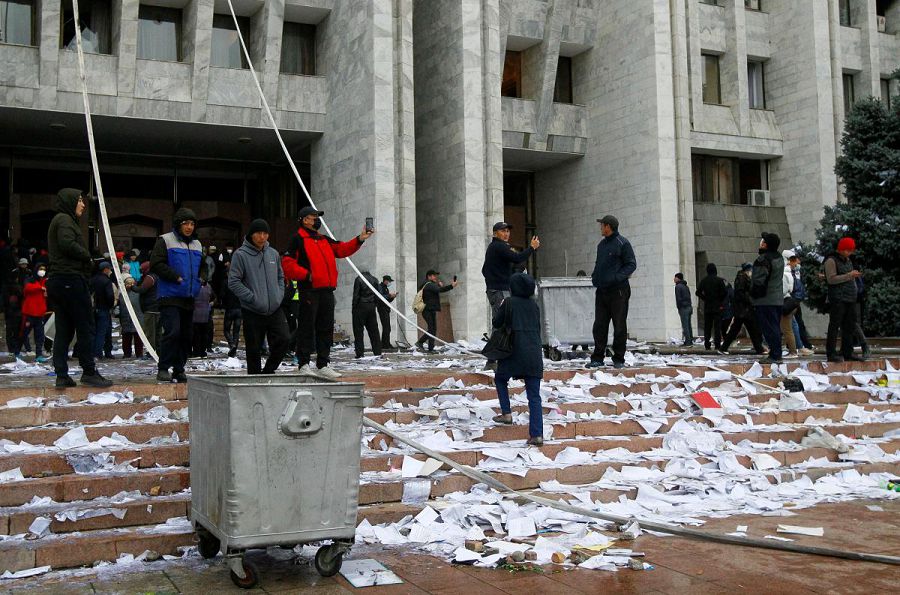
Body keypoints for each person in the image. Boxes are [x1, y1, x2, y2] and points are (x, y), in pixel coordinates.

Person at [282, 206, 373, 380]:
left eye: (317, 217)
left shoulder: (323, 239)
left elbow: (342, 249)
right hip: (309, 290)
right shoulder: (297, 239)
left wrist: (360, 238)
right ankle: (303, 364)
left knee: (325, 329)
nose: (317, 220)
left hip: (327, 291)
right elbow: (287, 263)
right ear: (304, 220)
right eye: (313, 217)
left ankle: (323, 364)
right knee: (307, 328)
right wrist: (307, 275)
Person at [46, 188, 112, 387]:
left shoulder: (61, 220)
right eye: (80, 200)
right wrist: (87, 258)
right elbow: (67, 244)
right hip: (70, 279)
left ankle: (61, 374)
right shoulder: (65, 220)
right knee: (85, 326)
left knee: (64, 329)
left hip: (59, 280)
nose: (83, 204)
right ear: (70, 201)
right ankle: (89, 371)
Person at [229, 219, 290, 374]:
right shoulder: (240, 255)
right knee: (254, 349)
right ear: (251, 235)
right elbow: (234, 282)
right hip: (252, 310)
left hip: (275, 308)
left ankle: (268, 371)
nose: (262, 237)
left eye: (265, 233)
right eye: (258, 233)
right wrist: (251, 298)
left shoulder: (273, 254)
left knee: (284, 339)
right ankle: (254, 381)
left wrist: (278, 295)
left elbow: (280, 277)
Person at [490, 273, 544, 446]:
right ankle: (537, 435)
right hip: (534, 353)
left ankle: (506, 413)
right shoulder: (534, 305)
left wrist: (500, 308)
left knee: (500, 379)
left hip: (514, 352)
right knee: (534, 396)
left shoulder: (509, 303)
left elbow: (497, 323)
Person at [150, 208, 203, 383]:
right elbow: (156, 263)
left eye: (192, 224)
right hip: (170, 295)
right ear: (178, 225)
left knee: (187, 335)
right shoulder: (165, 240)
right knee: (173, 332)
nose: (189, 227)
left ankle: (179, 369)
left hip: (188, 295)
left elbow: (203, 265)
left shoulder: (197, 244)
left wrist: (202, 278)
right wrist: (174, 276)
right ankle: (163, 368)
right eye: (185, 223)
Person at [588, 215, 636, 369]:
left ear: (608, 226)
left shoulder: (623, 243)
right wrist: (595, 277)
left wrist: (617, 278)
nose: (600, 228)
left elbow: (631, 264)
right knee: (599, 325)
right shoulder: (601, 245)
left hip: (618, 291)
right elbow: (599, 264)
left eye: (602, 225)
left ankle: (618, 358)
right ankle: (597, 357)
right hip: (602, 290)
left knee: (619, 325)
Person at [482, 221, 540, 328]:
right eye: (503, 231)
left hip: (497, 290)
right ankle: (497, 344)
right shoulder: (499, 246)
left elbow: (484, 270)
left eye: (508, 231)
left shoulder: (495, 247)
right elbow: (517, 258)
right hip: (500, 290)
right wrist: (532, 248)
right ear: (495, 234)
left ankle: (500, 344)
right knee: (503, 323)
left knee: (503, 321)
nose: (506, 234)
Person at [824, 237, 863, 362]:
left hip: (850, 297)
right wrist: (849, 275)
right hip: (838, 298)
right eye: (847, 250)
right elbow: (831, 279)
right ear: (840, 249)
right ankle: (831, 353)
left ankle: (847, 351)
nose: (849, 253)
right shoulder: (831, 260)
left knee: (849, 326)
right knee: (834, 326)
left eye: (850, 251)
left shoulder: (848, 260)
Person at [751, 232, 785, 364]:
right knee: (775, 326)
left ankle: (775, 354)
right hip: (777, 298)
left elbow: (759, 280)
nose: (760, 243)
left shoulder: (763, 259)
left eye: (762, 241)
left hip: (765, 299)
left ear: (765, 244)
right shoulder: (779, 258)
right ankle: (776, 352)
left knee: (769, 328)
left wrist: (753, 294)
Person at [721, 263, 765, 355]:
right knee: (749, 329)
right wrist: (750, 299)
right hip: (743, 310)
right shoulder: (742, 279)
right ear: (747, 270)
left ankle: (724, 347)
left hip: (743, 309)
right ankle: (759, 349)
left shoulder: (742, 278)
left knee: (745, 329)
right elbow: (741, 293)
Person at [415, 270, 457, 352]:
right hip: (428, 310)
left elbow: (435, 290)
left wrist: (438, 285)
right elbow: (439, 290)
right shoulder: (429, 284)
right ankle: (422, 344)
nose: (436, 277)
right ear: (429, 276)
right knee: (432, 329)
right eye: (434, 276)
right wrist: (451, 286)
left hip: (431, 309)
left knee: (433, 329)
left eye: (435, 276)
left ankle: (428, 347)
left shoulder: (429, 285)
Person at [695, 263, 727, 352]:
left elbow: (698, 292)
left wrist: (705, 298)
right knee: (717, 327)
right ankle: (717, 344)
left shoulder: (704, 280)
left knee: (707, 327)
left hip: (708, 306)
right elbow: (725, 292)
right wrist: (720, 300)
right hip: (717, 306)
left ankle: (707, 344)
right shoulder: (719, 280)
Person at [352, 271, 382, 359]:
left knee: (358, 331)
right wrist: (374, 305)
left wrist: (354, 307)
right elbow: (377, 295)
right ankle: (377, 352)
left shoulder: (359, 279)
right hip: (371, 306)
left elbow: (356, 295)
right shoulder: (375, 279)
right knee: (374, 331)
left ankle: (360, 353)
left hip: (360, 306)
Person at [21, 263, 49, 363]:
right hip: (29, 313)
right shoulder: (30, 279)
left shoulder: (45, 281)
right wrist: (40, 288)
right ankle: (16, 352)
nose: (43, 271)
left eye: (44, 269)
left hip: (40, 314)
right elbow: (27, 288)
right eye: (41, 269)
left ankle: (39, 355)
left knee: (40, 336)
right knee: (24, 333)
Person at [90, 261, 115, 360]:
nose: (110, 271)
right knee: (103, 331)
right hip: (104, 308)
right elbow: (110, 295)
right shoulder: (106, 281)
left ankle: (97, 352)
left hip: (94, 309)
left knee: (96, 331)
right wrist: (111, 305)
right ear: (105, 269)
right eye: (109, 269)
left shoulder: (93, 279)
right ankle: (100, 352)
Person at [133, 260, 159, 356]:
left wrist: (132, 287)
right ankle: (158, 350)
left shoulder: (150, 277)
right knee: (157, 332)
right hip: (156, 307)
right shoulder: (157, 276)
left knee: (150, 332)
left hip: (151, 308)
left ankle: (150, 352)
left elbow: (142, 289)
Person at [220, 260, 242, 358]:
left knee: (226, 330)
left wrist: (222, 305)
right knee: (236, 331)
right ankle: (234, 349)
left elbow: (222, 295)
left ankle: (232, 345)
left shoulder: (226, 282)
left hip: (230, 309)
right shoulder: (239, 283)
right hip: (239, 309)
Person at [119, 275, 144, 358]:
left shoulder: (138, 293)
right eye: (127, 283)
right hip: (125, 317)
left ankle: (139, 354)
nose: (129, 285)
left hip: (137, 317)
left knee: (138, 337)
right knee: (126, 337)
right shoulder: (122, 294)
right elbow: (119, 305)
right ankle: (126, 353)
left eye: (131, 283)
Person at [191, 279, 215, 357]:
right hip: (201, 314)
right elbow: (214, 298)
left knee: (199, 334)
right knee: (200, 334)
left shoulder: (194, 287)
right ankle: (200, 351)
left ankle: (198, 351)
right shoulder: (208, 287)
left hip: (199, 314)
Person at [376, 275, 397, 349]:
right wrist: (389, 295)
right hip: (382, 309)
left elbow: (387, 300)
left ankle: (385, 343)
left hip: (386, 309)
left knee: (387, 327)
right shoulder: (380, 287)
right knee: (386, 327)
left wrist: (392, 297)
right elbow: (380, 297)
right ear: (385, 280)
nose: (390, 283)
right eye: (389, 281)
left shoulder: (386, 288)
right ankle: (385, 344)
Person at [673, 272, 693, 347]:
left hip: (683, 308)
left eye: (675, 277)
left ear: (678, 278)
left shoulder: (678, 287)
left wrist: (679, 307)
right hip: (689, 306)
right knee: (688, 325)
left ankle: (688, 342)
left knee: (685, 326)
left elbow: (678, 298)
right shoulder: (686, 286)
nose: (674, 279)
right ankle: (690, 340)